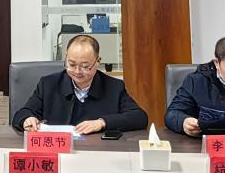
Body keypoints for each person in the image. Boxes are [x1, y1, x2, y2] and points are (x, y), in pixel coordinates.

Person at [11, 35, 148, 134]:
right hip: (59, 152)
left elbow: (139, 117)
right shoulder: (48, 84)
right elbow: (22, 113)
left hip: (97, 153)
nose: (77, 71)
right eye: (71, 64)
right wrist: (27, 119)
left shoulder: (114, 87)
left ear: (98, 61)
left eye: (85, 66)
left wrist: (102, 122)